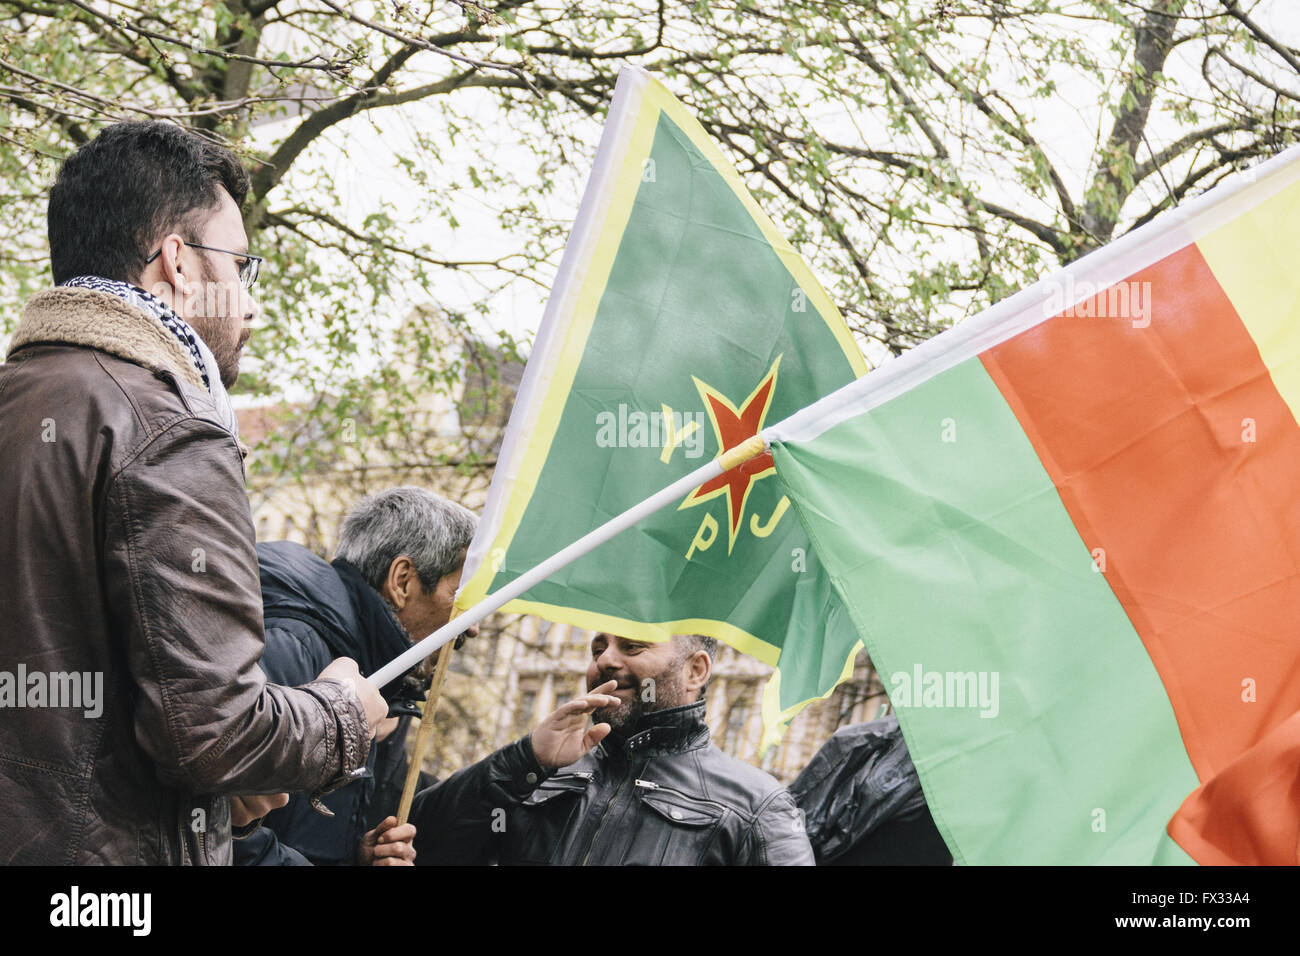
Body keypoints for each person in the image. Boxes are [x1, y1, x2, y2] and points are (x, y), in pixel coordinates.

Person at [0, 121, 385, 865]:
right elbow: (216, 733)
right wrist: (343, 715)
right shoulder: (166, 428)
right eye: (242, 265)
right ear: (178, 262)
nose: (251, 303)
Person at [409, 631, 815, 865]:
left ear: (696, 670)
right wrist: (526, 759)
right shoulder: (539, 770)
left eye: (633, 646)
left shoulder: (757, 809)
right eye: (598, 648)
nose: (606, 660)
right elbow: (421, 842)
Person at [236, 487, 478, 866]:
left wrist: (356, 858)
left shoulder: (362, 665)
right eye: (461, 594)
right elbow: (217, 829)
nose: (472, 626)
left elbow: (284, 833)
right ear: (402, 582)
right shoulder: (294, 646)